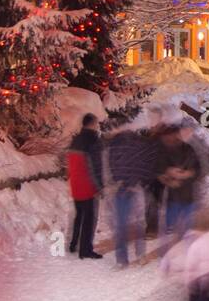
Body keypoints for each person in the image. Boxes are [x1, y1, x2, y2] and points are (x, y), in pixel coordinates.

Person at [106, 124, 161, 267]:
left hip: (122, 188)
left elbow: (112, 167)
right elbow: (148, 167)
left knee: (121, 225)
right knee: (139, 224)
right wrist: (141, 182)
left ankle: (121, 260)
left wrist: (120, 180)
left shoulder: (115, 145)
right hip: (137, 188)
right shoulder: (141, 143)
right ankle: (141, 255)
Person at [158, 124, 202, 246]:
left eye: (173, 135)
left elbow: (197, 170)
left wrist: (188, 174)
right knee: (169, 230)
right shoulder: (163, 151)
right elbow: (159, 170)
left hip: (188, 196)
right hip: (173, 197)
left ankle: (186, 253)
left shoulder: (188, 149)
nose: (170, 139)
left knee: (188, 231)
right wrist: (169, 176)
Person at [67, 114, 104, 259]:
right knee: (89, 219)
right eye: (96, 123)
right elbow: (95, 166)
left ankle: (73, 244)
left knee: (79, 216)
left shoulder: (75, 139)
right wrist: (99, 186)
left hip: (75, 184)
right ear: (93, 123)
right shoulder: (93, 140)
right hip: (88, 185)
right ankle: (85, 250)